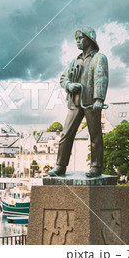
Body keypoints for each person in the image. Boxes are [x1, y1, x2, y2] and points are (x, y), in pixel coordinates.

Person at [48, 27, 108, 178]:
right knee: (66, 133)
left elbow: (101, 79)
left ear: (90, 39)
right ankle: (60, 166)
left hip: (91, 102)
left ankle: (96, 166)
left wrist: (99, 99)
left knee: (95, 135)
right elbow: (63, 78)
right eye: (76, 39)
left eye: (81, 38)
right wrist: (69, 85)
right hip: (75, 102)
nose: (78, 41)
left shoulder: (99, 58)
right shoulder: (75, 60)